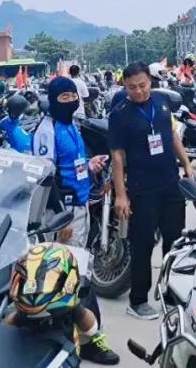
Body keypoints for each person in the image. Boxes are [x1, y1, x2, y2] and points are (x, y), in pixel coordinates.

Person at [30, 78, 118, 364]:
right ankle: (86, 339)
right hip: (63, 212)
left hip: (80, 207)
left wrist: (90, 166)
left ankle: (78, 335)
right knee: (70, 277)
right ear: (53, 100)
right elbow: (45, 177)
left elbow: (72, 165)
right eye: (63, 97)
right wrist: (60, 218)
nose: (70, 101)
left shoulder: (71, 126)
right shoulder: (47, 130)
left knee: (77, 274)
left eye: (72, 96)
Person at [108, 62, 195, 320]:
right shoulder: (119, 114)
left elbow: (172, 135)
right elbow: (117, 156)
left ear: (150, 81)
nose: (138, 92)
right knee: (143, 244)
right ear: (125, 86)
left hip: (170, 182)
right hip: (142, 188)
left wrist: (186, 163)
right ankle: (138, 301)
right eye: (132, 87)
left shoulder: (161, 102)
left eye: (143, 85)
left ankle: (170, 293)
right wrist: (121, 195)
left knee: (175, 241)